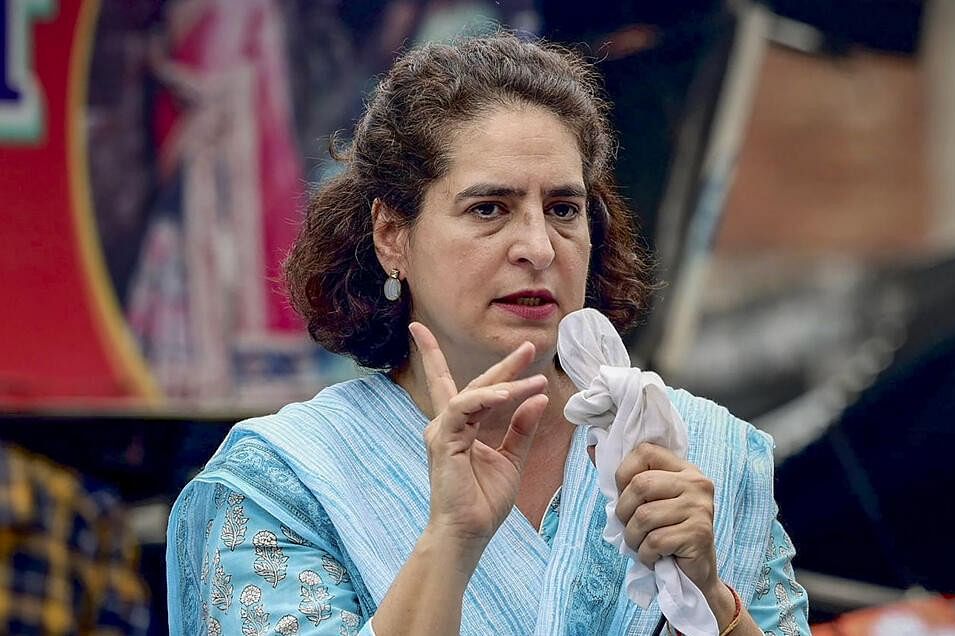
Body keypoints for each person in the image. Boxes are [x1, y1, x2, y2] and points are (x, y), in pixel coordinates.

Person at [166, 33, 809, 635]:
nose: (537, 247)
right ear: (393, 235)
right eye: (488, 209)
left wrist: (713, 600)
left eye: (563, 209)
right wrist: (449, 541)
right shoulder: (287, 483)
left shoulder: (702, 455)